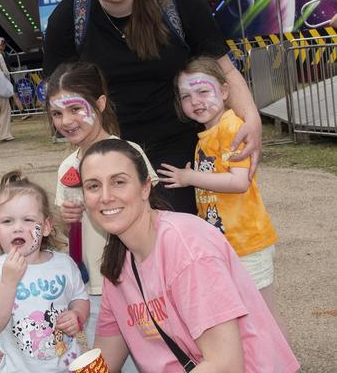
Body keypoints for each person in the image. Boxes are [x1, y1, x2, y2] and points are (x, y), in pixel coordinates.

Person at [43, 0, 262, 214]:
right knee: (123, 245)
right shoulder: (68, 19)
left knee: (177, 237)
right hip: (111, 147)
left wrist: (252, 122)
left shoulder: (179, 2)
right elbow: (60, 95)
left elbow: (224, 70)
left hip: (179, 150)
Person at [79, 138, 299, 372]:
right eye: (93, 186)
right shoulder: (119, 264)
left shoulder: (187, 249)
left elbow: (225, 365)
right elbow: (105, 360)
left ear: (145, 187)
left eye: (118, 182)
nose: (105, 196)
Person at [156, 56, 288, 338]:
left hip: (247, 242)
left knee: (263, 315)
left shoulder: (231, 127)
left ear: (225, 91)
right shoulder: (206, 135)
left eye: (203, 91)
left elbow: (240, 181)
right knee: (245, 319)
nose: (196, 101)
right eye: (186, 96)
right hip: (228, 244)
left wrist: (189, 178)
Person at [47, 61, 158, 351]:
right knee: (105, 356)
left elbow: (153, 214)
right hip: (94, 287)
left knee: (150, 355)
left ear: (100, 103)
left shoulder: (128, 153)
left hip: (138, 281)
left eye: (75, 109)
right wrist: (66, 219)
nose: (66, 121)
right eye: (57, 113)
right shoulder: (67, 168)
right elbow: (66, 228)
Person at [0, 170, 90, 372]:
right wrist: (8, 283)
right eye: (7, 221)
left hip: (66, 365)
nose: (17, 228)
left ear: (45, 227)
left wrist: (77, 314)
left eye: (27, 220)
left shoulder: (64, 265)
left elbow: (80, 298)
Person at [0, 37, 31, 120]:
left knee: (15, 94)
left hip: (8, 76)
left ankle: (23, 112)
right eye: (2, 43)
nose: (3, 45)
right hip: (0, 78)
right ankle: (7, 116)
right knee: (4, 98)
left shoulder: (6, 54)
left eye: (4, 43)